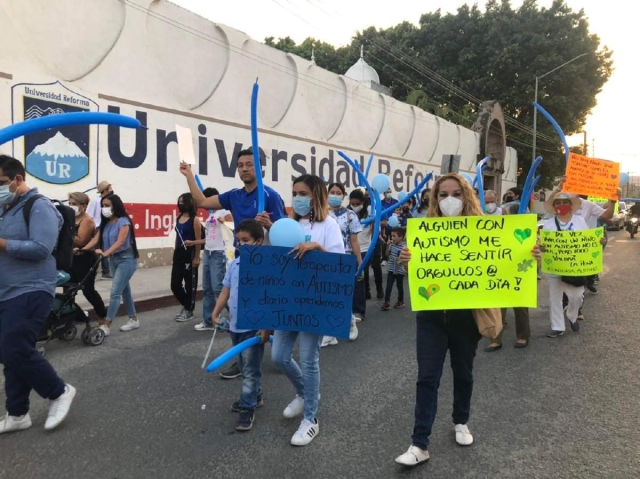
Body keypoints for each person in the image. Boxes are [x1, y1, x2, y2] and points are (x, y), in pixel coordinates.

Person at [394, 173, 541, 467]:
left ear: (467, 197)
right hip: (432, 319)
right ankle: (419, 443)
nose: (449, 200)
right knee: (427, 378)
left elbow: (507, 263)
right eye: (443, 194)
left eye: (456, 194)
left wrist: (530, 254)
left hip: (466, 318)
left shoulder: (485, 230)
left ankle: (461, 421)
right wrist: (407, 261)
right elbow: (421, 278)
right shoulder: (423, 232)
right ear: (434, 199)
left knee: (463, 372)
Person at [180, 150, 287, 380]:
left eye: (250, 164)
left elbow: (284, 232)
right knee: (240, 312)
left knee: (265, 314)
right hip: (242, 261)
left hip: (265, 263)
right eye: (240, 165)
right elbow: (201, 201)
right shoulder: (234, 196)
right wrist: (189, 173)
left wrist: (270, 224)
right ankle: (242, 360)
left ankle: (279, 353)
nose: (245, 168)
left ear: (260, 168)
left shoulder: (270, 195)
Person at [263, 174, 344, 447]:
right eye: (294, 192)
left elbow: (340, 265)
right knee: (278, 356)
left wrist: (318, 247)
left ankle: (311, 419)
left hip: (315, 302)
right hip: (289, 301)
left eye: (303, 193)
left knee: (309, 360)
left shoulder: (329, 226)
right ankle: (305, 393)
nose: (297, 197)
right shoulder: (292, 224)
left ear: (316, 195)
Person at [0, 155, 76, 433]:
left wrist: (3, 243)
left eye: (0, 183)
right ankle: (18, 414)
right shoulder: (6, 208)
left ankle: (59, 391)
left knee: (14, 348)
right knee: (10, 352)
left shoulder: (38, 205)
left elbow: (41, 248)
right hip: (7, 291)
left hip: (31, 288)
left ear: (18, 179)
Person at [211, 219, 265, 432]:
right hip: (235, 326)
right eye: (238, 241)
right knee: (244, 366)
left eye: (246, 240)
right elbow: (226, 291)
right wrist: (214, 313)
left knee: (250, 370)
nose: (241, 245)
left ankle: (247, 407)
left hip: (254, 328)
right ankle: (255, 395)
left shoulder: (264, 268)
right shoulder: (235, 264)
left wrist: (266, 326)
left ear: (259, 241)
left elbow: (270, 299)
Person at [540, 192, 604, 338]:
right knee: (554, 298)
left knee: (577, 296)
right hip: (555, 266)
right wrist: (541, 247)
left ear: (571, 206)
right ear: (554, 206)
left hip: (574, 267)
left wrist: (599, 242)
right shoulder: (549, 224)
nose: (561, 206)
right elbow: (542, 243)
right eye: (558, 203)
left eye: (565, 202)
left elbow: (588, 240)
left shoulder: (580, 221)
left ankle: (572, 315)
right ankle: (557, 326)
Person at [81, 195, 140, 335]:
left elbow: (120, 242)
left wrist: (106, 252)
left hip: (127, 259)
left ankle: (106, 325)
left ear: (115, 206)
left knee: (115, 292)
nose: (104, 208)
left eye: (107, 205)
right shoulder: (105, 224)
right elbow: (95, 239)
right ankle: (133, 319)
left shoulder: (124, 222)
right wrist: (82, 250)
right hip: (113, 259)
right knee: (125, 291)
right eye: (103, 205)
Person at [324, 183, 360, 345]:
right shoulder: (319, 213)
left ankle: (350, 322)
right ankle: (329, 333)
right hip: (324, 257)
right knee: (326, 295)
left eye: (339, 193)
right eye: (332, 192)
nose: (335, 195)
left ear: (343, 196)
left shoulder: (350, 215)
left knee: (342, 294)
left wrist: (359, 262)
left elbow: (354, 241)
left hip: (344, 258)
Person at [194, 188, 230, 332]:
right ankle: (208, 321)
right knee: (207, 288)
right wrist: (196, 243)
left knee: (218, 288)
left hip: (219, 253)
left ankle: (237, 315)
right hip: (208, 252)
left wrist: (224, 222)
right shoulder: (210, 215)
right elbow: (210, 236)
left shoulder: (224, 211)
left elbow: (233, 228)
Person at [67, 192, 107, 321]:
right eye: (70, 203)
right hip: (71, 258)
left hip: (85, 258)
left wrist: (65, 231)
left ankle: (102, 315)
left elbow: (80, 241)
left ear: (83, 205)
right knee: (68, 288)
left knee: (88, 290)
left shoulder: (87, 220)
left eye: (74, 204)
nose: (71, 206)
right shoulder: (71, 218)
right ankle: (73, 317)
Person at [170, 193, 202, 322]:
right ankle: (186, 304)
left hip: (190, 253)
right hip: (179, 253)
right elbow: (178, 236)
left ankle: (189, 309)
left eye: (183, 201)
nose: (180, 204)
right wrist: (175, 249)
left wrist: (197, 257)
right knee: (175, 284)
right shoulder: (178, 218)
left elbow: (198, 239)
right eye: (179, 201)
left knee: (190, 284)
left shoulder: (195, 220)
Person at [350, 189, 383, 301]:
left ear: (363, 202)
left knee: (364, 270)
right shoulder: (348, 213)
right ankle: (365, 292)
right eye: (352, 204)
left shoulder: (370, 211)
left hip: (366, 247)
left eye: (357, 204)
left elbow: (375, 227)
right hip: (352, 248)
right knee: (358, 273)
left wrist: (374, 239)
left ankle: (376, 290)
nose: (355, 206)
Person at [88, 180, 115, 279]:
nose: (111, 190)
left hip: (107, 227)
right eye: (110, 188)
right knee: (98, 250)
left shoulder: (110, 200)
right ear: (106, 189)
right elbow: (90, 216)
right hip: (98, 227)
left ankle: (106, 271)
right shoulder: (95, 201)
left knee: (106, 249)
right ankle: (100, 272)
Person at [381, 227, 406, 311]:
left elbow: (405, 259)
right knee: (388, 286)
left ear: (401, 237)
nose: (392, 238)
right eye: (391, 236)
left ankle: (400, 301)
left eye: (394, 236)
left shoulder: (404, 247)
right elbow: (387, 255)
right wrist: (387, 246)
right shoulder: (392, 245)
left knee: (399, 286)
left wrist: (401, 260)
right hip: (391, 269)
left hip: (400, 271)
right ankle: (386, 302)